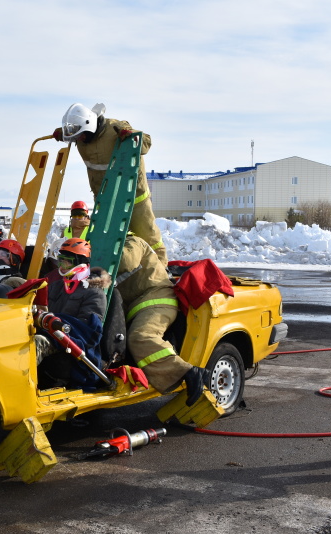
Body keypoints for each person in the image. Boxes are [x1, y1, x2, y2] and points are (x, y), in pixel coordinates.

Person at [54, 103, 168, 265]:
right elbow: (74, 135)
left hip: (133, 196)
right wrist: (64, 133)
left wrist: (132, 135)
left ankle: (162, 271)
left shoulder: (115, 128)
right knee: (105, 241)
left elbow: (146, 144)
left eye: (79, 135)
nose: (78, 139)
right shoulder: (81, 135)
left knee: (148, 237)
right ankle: (110, 272)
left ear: (89, 126)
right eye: (75, 136)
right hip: (105, 200)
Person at [115, 233, 209, 406]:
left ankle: (189, 373)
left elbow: (126, 261)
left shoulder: (132, 241)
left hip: (157, 300)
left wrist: (94, 257)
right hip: (139, 305)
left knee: (140, 337)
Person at [36, 238, 112, 389]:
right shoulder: (55, 286)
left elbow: (89, 332)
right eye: (60, 260)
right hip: (50, 333)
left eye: (67, 261)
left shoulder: (95, 293)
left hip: (72, 347)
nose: (62, 265)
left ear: (80, 263)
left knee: (37, 342)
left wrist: (57, 323)